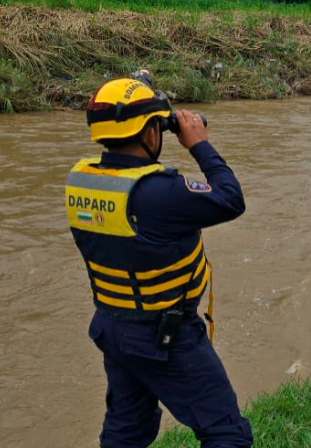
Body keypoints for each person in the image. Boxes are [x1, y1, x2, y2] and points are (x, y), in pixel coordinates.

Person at [65, 73, 253, 448]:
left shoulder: (82, 182)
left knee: (126, 432)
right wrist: (198, 143)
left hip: (113, 328)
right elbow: (231, 198)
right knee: (227, 435)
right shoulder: (159, 193)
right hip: (165, 337)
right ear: (152, 133)